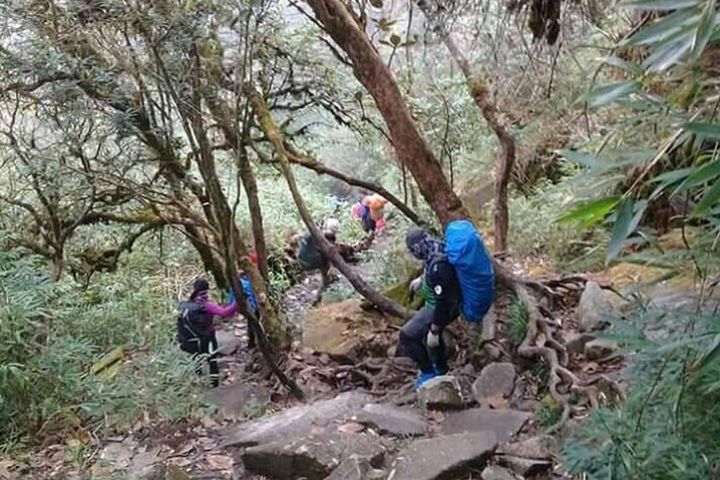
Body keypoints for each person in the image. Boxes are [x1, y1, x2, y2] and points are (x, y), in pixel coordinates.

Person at [399, 228, 462, 388]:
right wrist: (422, 279)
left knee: (407, 335)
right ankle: (441, 368)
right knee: (432, 338)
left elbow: (443, 300)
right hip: (437, 302)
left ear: (418, 247)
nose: (413, 254)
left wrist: (434, 327)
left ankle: (428, 373)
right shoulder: (435, 248)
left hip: (442, 306)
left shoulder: (439, 266)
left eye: (413, 250)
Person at [177, 278, 238, 387]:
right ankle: (215, 385)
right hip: (208, 337)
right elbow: (225, 313)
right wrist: (237, 301)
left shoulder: (185, 305)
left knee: (196, 360)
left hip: (192, 340)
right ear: (207, 289)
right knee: (212, 360)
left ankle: (198, 385)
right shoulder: (206, 305)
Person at [227, 252, 259, 349]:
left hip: (249, 305)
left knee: (252, 323)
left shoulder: (240, 278)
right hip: (252, 305)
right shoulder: (249, 279)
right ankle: (253, 342)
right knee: (254, 322)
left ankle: (252, 342)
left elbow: (232, 295)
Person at [295, 220, 340, 287]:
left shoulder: (306, 233)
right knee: (327, 256)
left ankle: (328, 278)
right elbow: (328, 251)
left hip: (301, 260)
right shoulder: (326, 235)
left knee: (324, 253)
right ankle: (327, 279)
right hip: (310, 262)